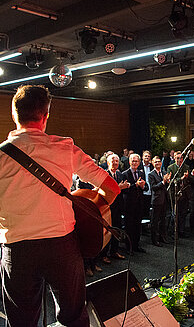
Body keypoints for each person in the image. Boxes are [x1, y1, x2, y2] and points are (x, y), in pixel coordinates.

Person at [0, 85, 120, 326]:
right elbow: (112, 188)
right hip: (62, 247)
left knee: (21, 321)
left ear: (14, 114)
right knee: (73, 317)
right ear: (45, 116)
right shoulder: (65, 148)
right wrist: (91, 209)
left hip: (17, 249)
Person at [122, 153, 148, 253]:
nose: (134, 163)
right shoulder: (124, 174)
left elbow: (146, 188)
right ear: (129, 162)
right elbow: (124, 190)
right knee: (129, 227)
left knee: (138, 226)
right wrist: (135, 185)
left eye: (136, 161)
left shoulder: (141, 173)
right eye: (133, 161)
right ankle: (129, 248)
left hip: (139, 204)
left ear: (139, 162)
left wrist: (142, 186)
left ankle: (136, 246)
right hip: (129, 204)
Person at [106, 154, 130, 259]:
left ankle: (114, 251)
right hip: (108, 207)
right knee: (108, 231)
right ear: (108, 163)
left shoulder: (120, 174)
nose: (115, 163)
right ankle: (104, 255)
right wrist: (118, 187)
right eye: (113, 161)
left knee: (117, 229)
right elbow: (106, 190)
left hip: (119, 206)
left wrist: (127, 186)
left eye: (117, 161)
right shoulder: (105, 174)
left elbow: (124, 191)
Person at [167, 151, 191, 238]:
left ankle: (181, 231)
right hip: (175, 194)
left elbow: (191, 180)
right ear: (174, 158)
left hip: (184, 194)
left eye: (181, 158)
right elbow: (172, 181)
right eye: (177, 158)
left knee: (183, 214)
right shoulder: (171, 168)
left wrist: (188, 177)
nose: (179, 160)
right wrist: (181, 178)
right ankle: (174, 232)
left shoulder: (186, 167)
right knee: (175, 214)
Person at [148, 156, 171, 246]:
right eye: (156, 162)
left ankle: (162, 237)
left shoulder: (164, 172)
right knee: (155, 221)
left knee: (163, 220)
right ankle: (154, 240)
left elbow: (166, 185)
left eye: (159, 162)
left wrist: (168, 181)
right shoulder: (151, 174)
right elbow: (153, 187)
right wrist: (163, 182)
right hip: (156, 200)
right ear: (153, 163)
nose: (158, 163)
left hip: (164, 199)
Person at [138, 150, 154, 220]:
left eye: (148, 156)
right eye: (146, 156)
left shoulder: (152, 167)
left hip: (150, 190)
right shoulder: (139, 166)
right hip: (141, 190)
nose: (147, 157)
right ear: (142, 157)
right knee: (141, 209)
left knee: (147, 209)